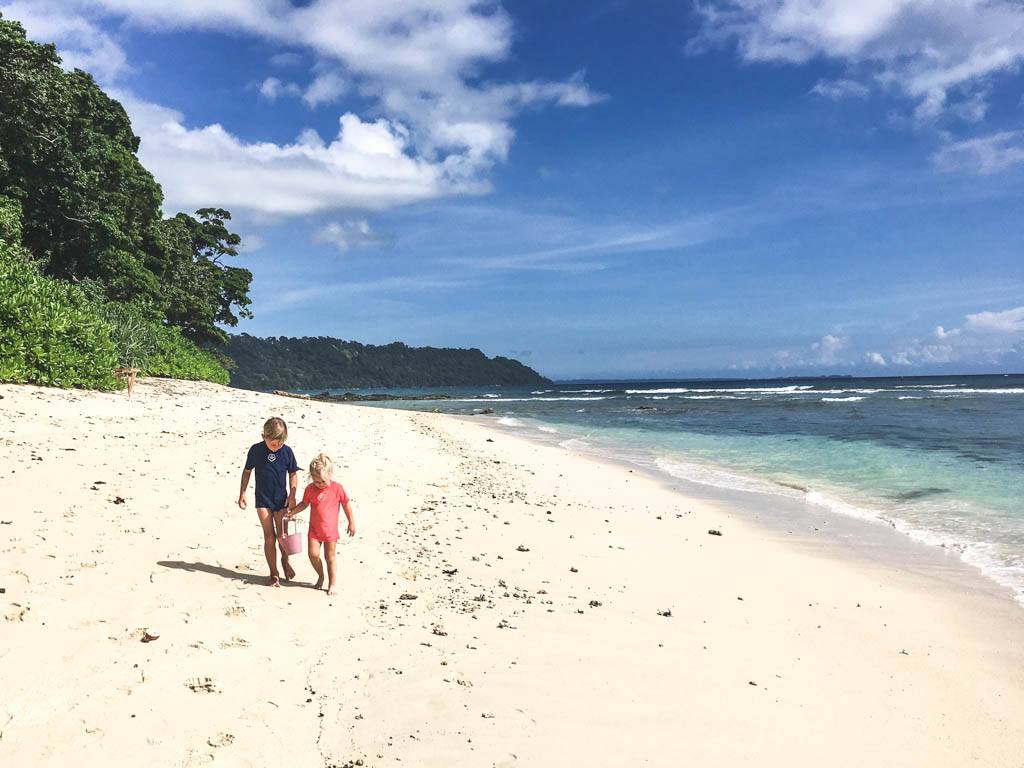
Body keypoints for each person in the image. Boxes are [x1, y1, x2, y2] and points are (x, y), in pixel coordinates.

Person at [238, 417, 300, 587]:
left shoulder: (287, 452)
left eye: (279, 444)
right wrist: (243, 492)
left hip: (281, 499)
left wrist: (292, 495)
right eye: (273, 444)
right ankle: (273, 573)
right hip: (263, 499)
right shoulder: (256, 450)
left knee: (282, 537)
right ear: (263, 435)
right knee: (269, 537)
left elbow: (293, 474)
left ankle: (285, 562)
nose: (276, 448)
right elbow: (247, 471)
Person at [288, 453, 355, 595]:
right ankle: (320, 575)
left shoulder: (337, 488)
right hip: (314, 530)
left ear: (330, 474)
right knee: (313, 555)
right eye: (316, 481)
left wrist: (351, 523)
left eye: (322, 481)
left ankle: (332, 583)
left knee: (330, 558)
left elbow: (346, 505)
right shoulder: (310, 489)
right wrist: (293, 512)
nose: (319, 484)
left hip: (330, 532)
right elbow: (304, 504)